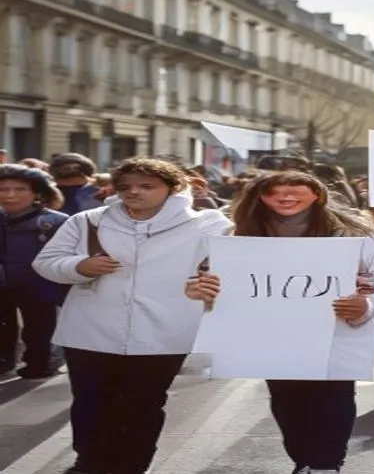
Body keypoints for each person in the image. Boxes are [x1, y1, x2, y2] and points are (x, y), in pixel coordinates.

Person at [187, 170, 374, 474]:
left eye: (295, 190)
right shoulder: (236, 236)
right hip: (273, 333)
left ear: (317, 194)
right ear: (260, 197)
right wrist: (199, 289)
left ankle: (327, 464)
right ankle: (303, 459)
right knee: (287, 400)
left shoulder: (354, 235)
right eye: (275, 192)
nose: (286, 197)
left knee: (334, 398)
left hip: (336, 332)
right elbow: (208, 281)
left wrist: (367, 305)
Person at [33, 158, 232, 474]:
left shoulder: (206, 224)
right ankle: (90, 460)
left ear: (173, 187)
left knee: (144, 404)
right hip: (90, 330)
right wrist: (78, 267)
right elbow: (46, 262)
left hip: (163, 332)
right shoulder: (88, 221)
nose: (133, 192)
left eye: (146, 186)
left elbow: (237, 265)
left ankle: (133, 464)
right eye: (125, 186)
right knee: (90, 402)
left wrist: (212, 281)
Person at [0, 165, 70, 378]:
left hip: (40, 285)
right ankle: (4, 361)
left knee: (40, 328)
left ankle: (41, 363)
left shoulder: (56, 221)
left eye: (20, 189)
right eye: (3, 189)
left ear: (36, 192)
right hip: (2, 284)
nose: (11, 195)